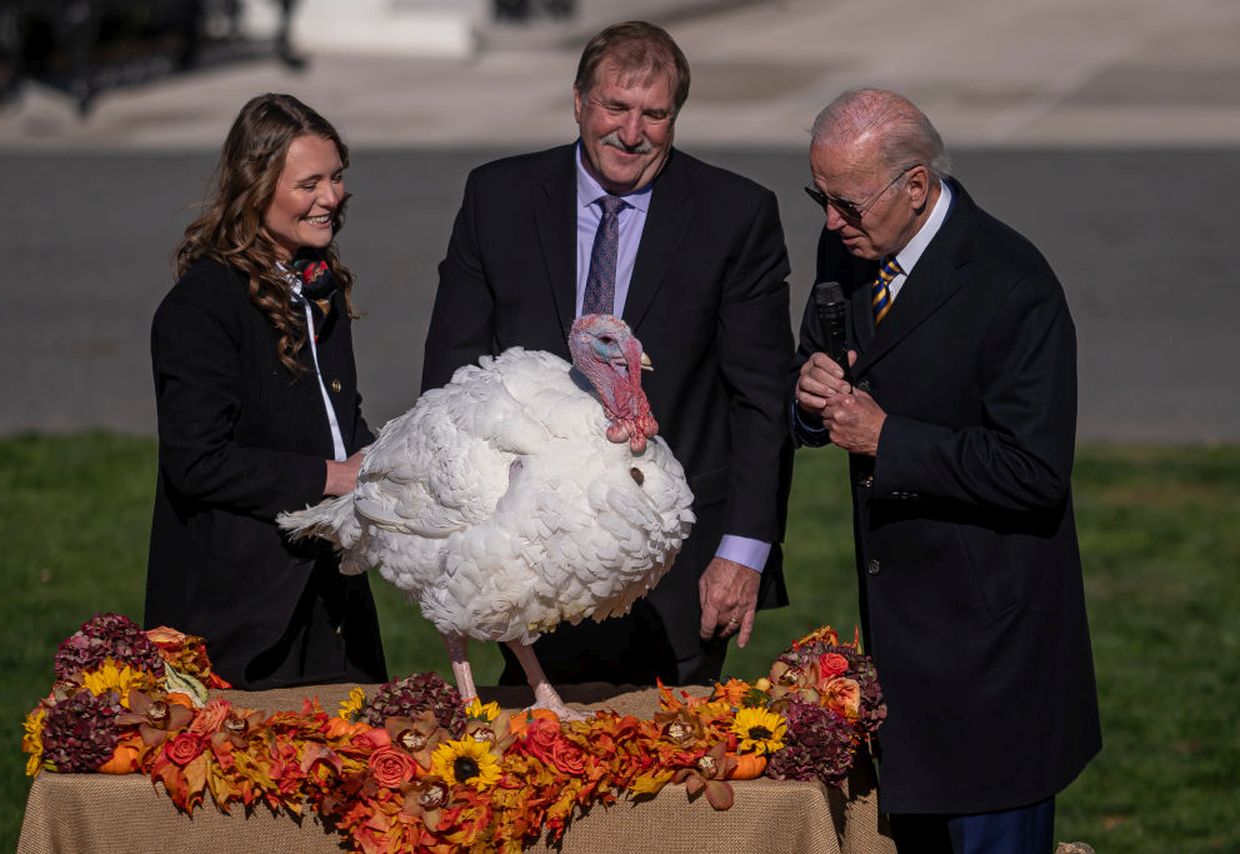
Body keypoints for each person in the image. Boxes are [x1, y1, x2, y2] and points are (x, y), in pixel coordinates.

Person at [422, 20, 794, 687]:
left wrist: (744, 551)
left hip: (677, 565)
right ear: (578, 102)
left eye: (655, 114)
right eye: (615, 107)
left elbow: (762, 399)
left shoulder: (735, 215)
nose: (632, 132)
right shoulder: (497, 199)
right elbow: (449, 382)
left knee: (676, 773)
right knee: (536, 762)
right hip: (526, 552)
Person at [793, 88, 1101, 852]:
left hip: (991, 661)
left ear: (917, 186)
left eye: (847, 204)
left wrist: (887, 437)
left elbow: (1034, 471)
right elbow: (815, 357)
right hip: (901, 652)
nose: (830, 223)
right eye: (818, 197)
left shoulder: (1014, 286)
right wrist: (808, 397)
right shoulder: (850, 245)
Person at [145, 93, 388, 690]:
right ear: (256, 189)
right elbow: (198, 462)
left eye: (336, 178)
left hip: (331, 606)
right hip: (240, 617)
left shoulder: (316, 282)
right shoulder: (202, 305)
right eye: (309, 184)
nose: (331, 198)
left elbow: (338, 420)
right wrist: (335, 477)